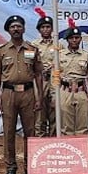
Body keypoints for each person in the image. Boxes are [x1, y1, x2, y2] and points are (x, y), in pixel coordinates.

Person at [0, 15, 44, 174]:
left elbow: (38, 74)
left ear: (23, 29)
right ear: (8, 30)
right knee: (8, 131)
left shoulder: (32, 49)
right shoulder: (1, 51)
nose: (16, 29)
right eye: (13, 26)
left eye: (19, 26)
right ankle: (11, 168)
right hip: (8, 94)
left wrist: (40, 97)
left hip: (28, 93)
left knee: (30, 131)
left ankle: (30, 166)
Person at [59, 18, 88, 135]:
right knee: (66, 128)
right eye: (71, 38)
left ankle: (81, 153)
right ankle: (67, 153)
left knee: (83, 127)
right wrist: (54, 95)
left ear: (80, 38)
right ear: (67, 40)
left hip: (82, 92)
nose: (74, 40)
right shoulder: (59, 55)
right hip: (65, 91)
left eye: (77, 38)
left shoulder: (87, 56)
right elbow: (54, 77)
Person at [32, 8, 59, 137]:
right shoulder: (33, 45)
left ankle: (53, 140)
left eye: (48, 27)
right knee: (39, 112)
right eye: (43, 27)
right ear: (39, 29)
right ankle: (40, 141)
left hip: (54, 81)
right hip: (40, 81)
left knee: (55, 111)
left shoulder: (59, 45)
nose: (46, 30)